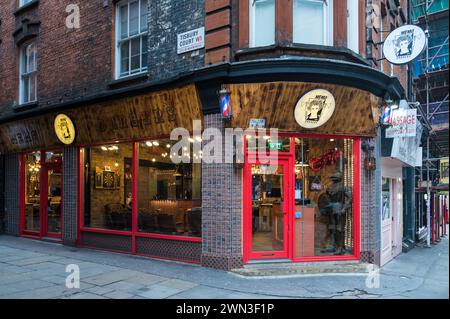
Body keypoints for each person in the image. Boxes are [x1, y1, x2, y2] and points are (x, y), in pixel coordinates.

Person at [319, 171, 352, 255]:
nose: (333, 179)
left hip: (339, 209)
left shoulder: (343, 187)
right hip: (331, 209)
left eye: (335, 177)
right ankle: (334, 246)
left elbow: (350, 198)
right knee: (332, 228)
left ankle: (340, 247)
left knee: (339, 229)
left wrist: (344, 208)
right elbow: (324, 198)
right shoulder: (330, 187)